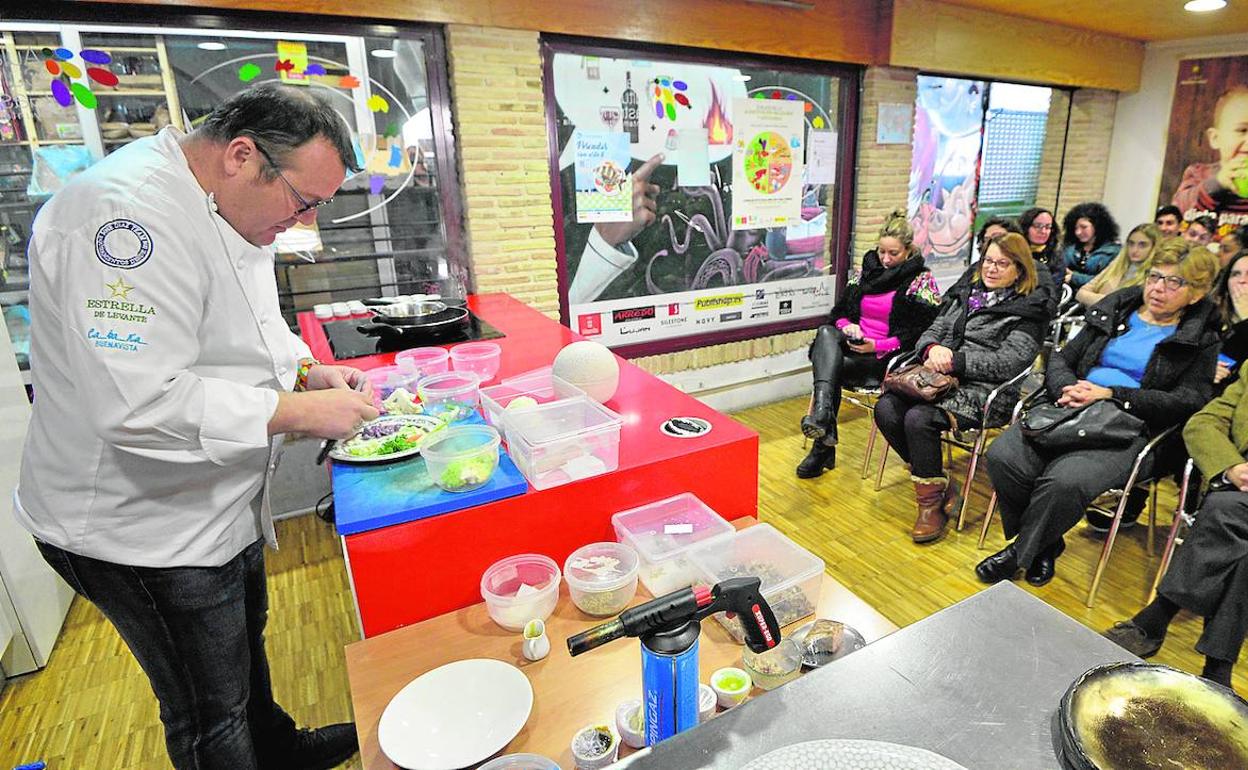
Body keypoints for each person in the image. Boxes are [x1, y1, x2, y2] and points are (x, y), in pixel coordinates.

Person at [15, 83, 378, 770]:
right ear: (243, 155)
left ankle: (281, 752)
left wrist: (305, 373)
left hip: (215, 500)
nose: (302, 222)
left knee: (245, 649)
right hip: (138, 523)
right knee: (209, 711)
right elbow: (136, 402)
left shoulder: (231, 204)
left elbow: (250, 324)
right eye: (303, 203)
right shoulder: (123, 218)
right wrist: (302, 412)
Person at [978, 238, 1221, 587]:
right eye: (1154, 276)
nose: (1158, 288)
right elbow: (1062, 357)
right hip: (1070, 407)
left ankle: (1020, 554)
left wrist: (1112, 394)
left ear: (1196, 294)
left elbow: (1188, 401)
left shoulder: (1200, 339)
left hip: (1128, 427)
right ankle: (1045, 544)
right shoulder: (1117, 309)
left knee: (1065, 482)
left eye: (1174, 282)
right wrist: (1068, 388)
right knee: (1003, 456)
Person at [873, 233, 1050, 544]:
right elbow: (934, 329)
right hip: (938, 379)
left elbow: (1009, 363)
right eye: (988, 261)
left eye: (1002, 263)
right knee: (886, 409)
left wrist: (956, 360)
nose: (992, 269)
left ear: (1020, 270)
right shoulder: (968, 294)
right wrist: (930, 350)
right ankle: (938, 483)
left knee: (918, 418)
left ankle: (930, 507)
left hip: (987, 391)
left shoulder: (1029, 311)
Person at [1103, 372, 1248, 692]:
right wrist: (1230, 467)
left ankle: (1157, 617)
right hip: (1238, 484)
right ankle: (1218, 666)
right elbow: (1204, 421)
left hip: (1231, 505)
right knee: (1234, 524)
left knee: (1226, 514)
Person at [798, 210, 941, 477]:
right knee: (827, 333)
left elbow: (921, 331)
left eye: (893, 254)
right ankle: (822, 420)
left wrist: (878, 345)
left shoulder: (920, 280)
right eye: (882, 251)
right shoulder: (866, 272)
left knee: (829, 366)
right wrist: (847, 326)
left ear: (908, 251)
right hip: (853, 347)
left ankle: (822, 441)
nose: (885, 260)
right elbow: (838, 313)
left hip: (886, 359)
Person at [1172, 84, 1248, 219]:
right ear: (1215, 138)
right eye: (1242, 130)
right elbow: (1177, 212)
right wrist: (1217, 184)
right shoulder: (1198, 174)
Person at [1076, 223, 1161, 307]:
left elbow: (1122, 307)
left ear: (1154, 247)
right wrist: (1109, 302)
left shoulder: (1153, 276)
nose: (1134, 250)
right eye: (1131, 243)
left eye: (1142, 245)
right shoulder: (1117, 264)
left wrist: (1092, 298)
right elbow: (1080, 293)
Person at [1060, 202, 1120, 289]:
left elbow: (1106, 282)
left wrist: (1074, 277)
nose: (1078, 232)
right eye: (1075, 228)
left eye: (1084, 227)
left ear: (1098, 226)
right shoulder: (1069, 248)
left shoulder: (1112, 252)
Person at [1019, 206, 1065, 293]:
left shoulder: (1055, 256)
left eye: (1048, 227)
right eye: (1038, 226)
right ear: (1026, 227)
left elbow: (1053, 290)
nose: (1043, 231)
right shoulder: (1015, 251)